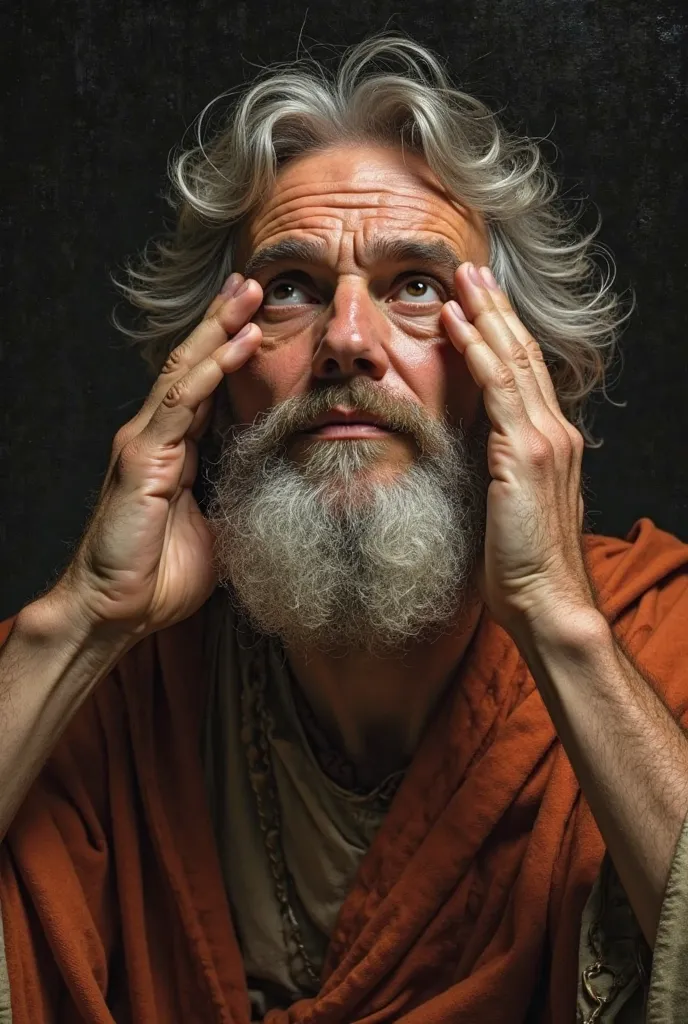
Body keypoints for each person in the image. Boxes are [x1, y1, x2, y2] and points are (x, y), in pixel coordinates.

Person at [1, 33, 687, 1024]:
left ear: (518, 370)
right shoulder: (114, 695)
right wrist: (79, 623)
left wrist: (558, 624)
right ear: (218, 379)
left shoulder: (652, 640)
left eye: (416, 284)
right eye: (290, 288)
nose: (348, 342)